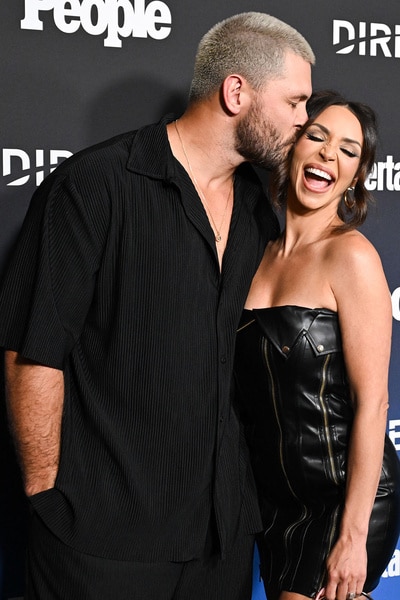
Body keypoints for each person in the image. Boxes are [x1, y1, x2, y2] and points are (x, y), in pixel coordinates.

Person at [0, 12, 314, 600]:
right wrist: (47, 492)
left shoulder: (256, 211)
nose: (304, 121)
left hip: (220, 542)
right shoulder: (96, 184)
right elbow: (33, 347)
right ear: (237, 91)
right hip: (102, 540)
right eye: (295, 101)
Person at [234, 90, 400, 600]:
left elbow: (373, 404)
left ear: (356, 176)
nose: (330, 155)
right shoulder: (251, 253)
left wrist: (352, 537)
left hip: (347, 499)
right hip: (276, 503)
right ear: (293, 147)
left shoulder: (352, 257)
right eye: (318, 137)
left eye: (349, 151)